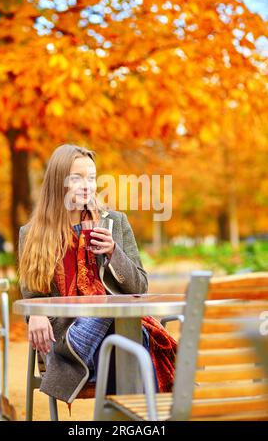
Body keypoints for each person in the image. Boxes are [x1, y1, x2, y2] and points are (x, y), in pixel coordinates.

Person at [18, 144, 177, 414]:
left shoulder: (114, 222)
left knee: (119, 332)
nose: (87, 186)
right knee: (123, 335)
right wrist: (34, 313)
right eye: (77, 178)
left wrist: (114, 253)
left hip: (118, 334)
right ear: (59, 183)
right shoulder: (32, 234)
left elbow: (140, 287)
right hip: (68, 342)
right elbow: (32, 296)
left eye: (91, 178)